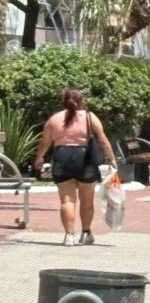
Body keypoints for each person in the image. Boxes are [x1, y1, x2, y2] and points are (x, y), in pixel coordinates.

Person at [33, 88, 117, 246]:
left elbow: (45, 142)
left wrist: (39, 158)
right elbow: (103, 140)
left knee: (67, 200)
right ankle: (86, 233)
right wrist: (112, 159)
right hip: (84, 158)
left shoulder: (54, 119)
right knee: (87, 200)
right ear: (82, 101)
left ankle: (69, 235)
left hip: (62, 158)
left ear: (63, 101)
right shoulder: (89, 117)